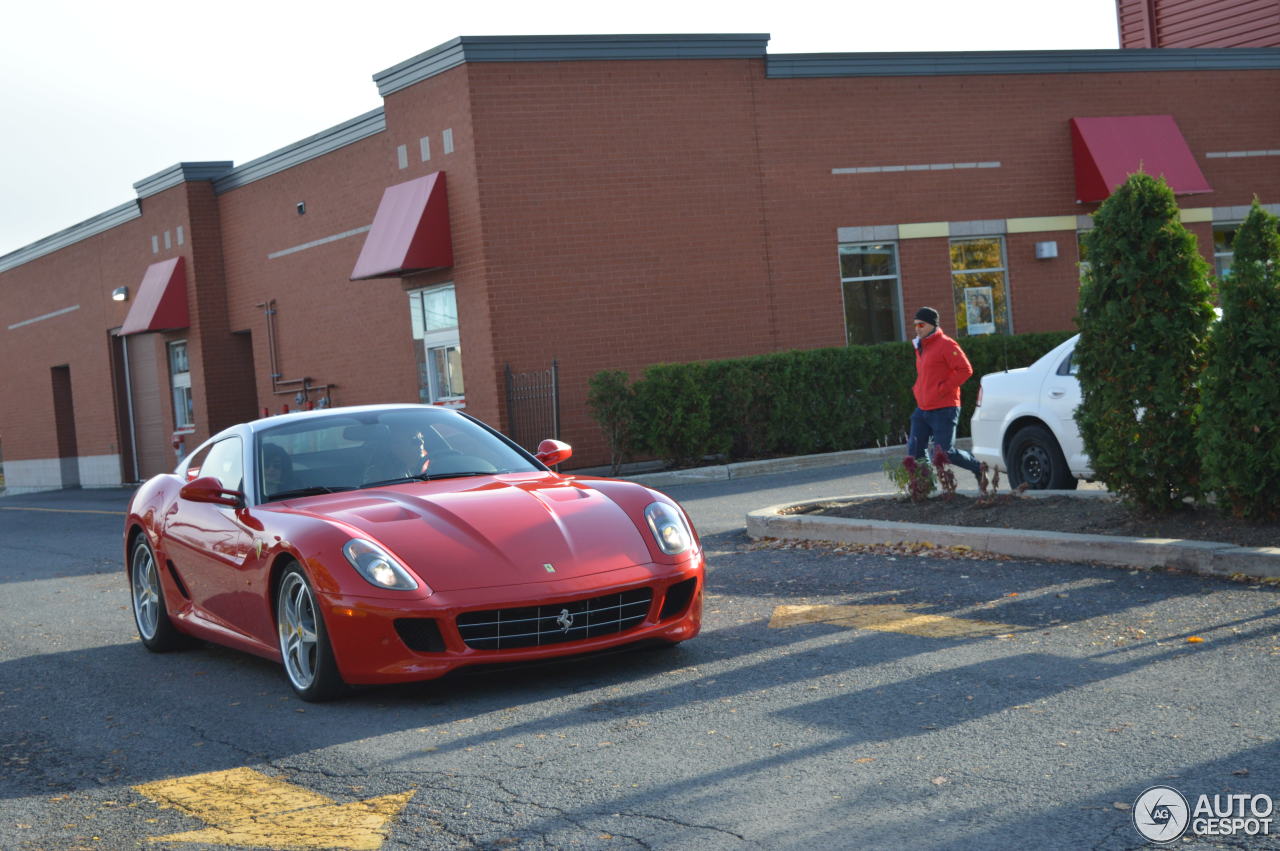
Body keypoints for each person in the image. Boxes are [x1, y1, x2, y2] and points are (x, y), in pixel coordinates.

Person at [906, 306, 986, 482]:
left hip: (944, 407)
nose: (917, 328)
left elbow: (965, 370)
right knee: (914, 450)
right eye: (915, 325)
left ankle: (978, 468)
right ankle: (924, 486)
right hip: (923, 408)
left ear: (932, 325)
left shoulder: (946, 344)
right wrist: (918, 390)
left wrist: (942, 389)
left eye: (921, 325)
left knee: (944, 453)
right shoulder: (921, 346)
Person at [363, 422, 431, 482]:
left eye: (422, 438)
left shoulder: (431, 466)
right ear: (396, 447)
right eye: (414, 439)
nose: (421, 442)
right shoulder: (379, 474)